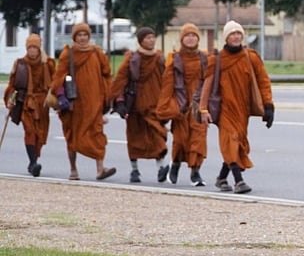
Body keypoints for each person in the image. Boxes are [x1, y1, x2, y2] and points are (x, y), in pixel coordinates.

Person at [198, 20, 274, 194]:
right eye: (232, 34)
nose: (236, 36)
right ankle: (239, 181)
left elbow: (263, 81)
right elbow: (207, 86)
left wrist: (268, 105)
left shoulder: (251, 57)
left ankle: (221, 177)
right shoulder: (216, 59)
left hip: (242, 109)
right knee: (230, 140)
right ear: (226, 38)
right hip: (224, 109)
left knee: (239, 143)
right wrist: (203, 109)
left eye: (238, 33)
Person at [48, 23, 116, 181]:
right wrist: (59, 95)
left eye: (85, 35)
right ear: (74, 37)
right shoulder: (68, 54)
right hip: (75, 103)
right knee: (72, 136)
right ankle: (73, 169)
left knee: (97, 133)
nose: (83, 38)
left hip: (94, 102)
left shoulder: (97, 52)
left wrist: (107, 94)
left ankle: (100, 169)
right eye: (79, 35)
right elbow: (58, 77)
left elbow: (106, 74)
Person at [110, 26, 169, 183]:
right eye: (147, 38)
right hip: (135, 105)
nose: (151, 40)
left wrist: (168, 101)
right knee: (134, 137)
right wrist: (120, 102)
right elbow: (120, 80)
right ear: (141, 41)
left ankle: (161, 168)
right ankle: (134, 170)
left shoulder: (159, 58)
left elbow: (167, 80)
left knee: (158, 135)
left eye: (152, 37)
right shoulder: (132, 59)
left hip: (154, 105)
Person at [156, 22, 210, 186]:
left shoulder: (204, 58)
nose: (191, 38)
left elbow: (209, 82)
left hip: (198, 106)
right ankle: (176, 166)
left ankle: (195, 172)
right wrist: (164, 107)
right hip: (181, 105)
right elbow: (167, 85)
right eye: (187, 36)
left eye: (194, 35)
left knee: (199, 139)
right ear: (182, 39)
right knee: (180, 140)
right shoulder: (175, 59)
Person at [4, 34, 55, 176]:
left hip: (42, 104)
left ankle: (33, 162)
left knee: (40, 134)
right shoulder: (20, 63)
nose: (32, 51)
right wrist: (10, 98)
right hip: (26, 103)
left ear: (39, 49)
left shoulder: (47, 63)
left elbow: (55, 80)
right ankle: (33, 163)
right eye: (30, 47)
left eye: (35, 47)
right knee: (30, 132)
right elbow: (12, 85)